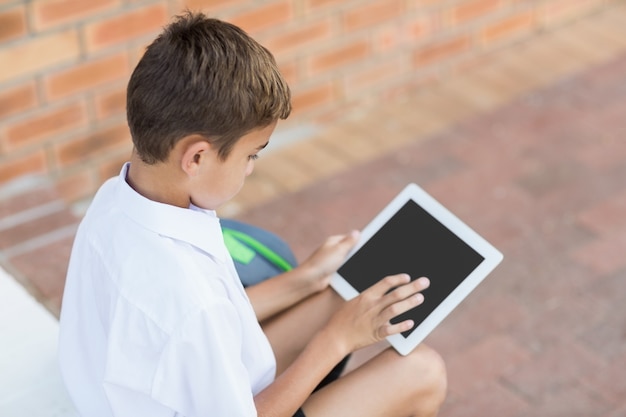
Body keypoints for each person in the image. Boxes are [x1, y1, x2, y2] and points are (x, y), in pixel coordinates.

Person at [58, 11, 447, 417]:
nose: (251, 167)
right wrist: (337, 340)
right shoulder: (187, 298)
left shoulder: (115, 200)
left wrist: (304, 280)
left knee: (339, 296)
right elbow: (199, 320)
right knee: (422, 372)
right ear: (197, 157)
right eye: (250, 154)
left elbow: (206, 323)